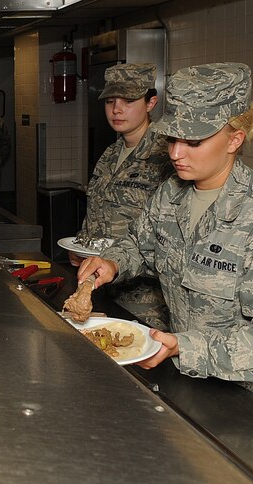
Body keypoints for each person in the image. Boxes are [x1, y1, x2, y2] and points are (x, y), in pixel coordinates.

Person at [78, 63, 253, 436]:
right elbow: (141, 246)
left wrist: (185, 347)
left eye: (193, 142)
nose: (176, 153)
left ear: (235, 139)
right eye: (172, 138)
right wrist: (113, 262)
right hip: (203, 385)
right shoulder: (170, 194)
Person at [69, 63, 172, 329]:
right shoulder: (111, 154)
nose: (116, 110)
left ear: (151, 102)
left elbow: (170, 233)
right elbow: (96, 211)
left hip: (145, 302)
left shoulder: (168, 156)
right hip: (100, 288)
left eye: (128, 100)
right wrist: (81, 249)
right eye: (111, 101)